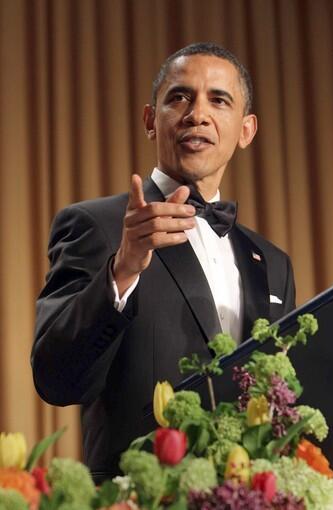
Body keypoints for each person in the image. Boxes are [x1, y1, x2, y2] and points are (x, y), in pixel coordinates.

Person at [31, 42, 295, 483]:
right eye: (179, 97)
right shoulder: (98, 226)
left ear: (246, 130)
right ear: (151, 121)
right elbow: (57, 379)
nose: (197, 113)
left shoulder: (272, 262)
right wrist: (124, 268)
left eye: (219, 100)